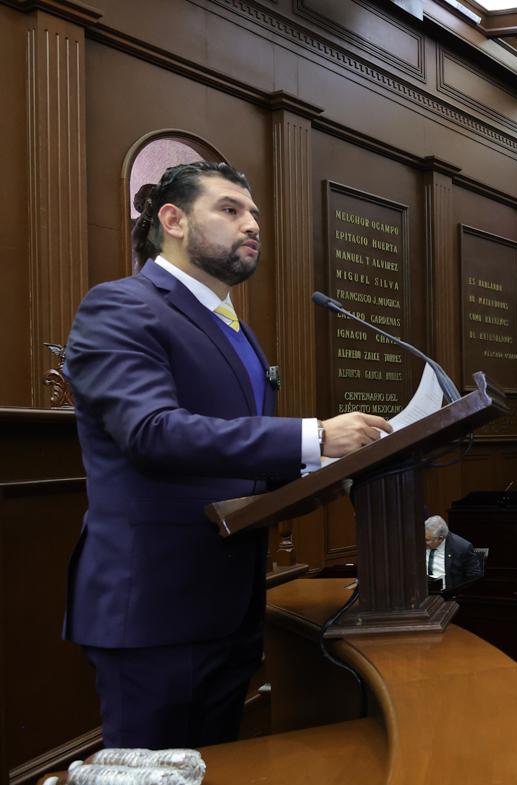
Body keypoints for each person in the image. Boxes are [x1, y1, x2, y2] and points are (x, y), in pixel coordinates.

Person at [62, 161, 393, 748]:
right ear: (174, 220)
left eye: (255, 216)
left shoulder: (235, 328)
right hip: (155, 609)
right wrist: (314, 438)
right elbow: (152, 432)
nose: (252, 226)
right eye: (230, 210)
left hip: (228, 604)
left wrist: (330, 469)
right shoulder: (123, 305)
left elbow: (236, 460)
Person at [424, 516, 483, 591]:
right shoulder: (416, 544)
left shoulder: (461, 548)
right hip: (421, 592)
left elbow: (474, 577)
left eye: (427, 540)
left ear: (440, 538)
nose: (423, 542)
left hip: (446, 595)